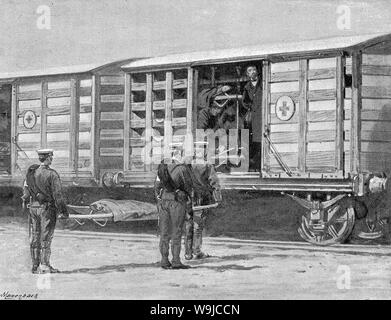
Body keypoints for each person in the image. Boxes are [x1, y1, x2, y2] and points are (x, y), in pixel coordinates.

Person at [21, 149, 69, 274]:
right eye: (50, 157)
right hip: (46, 209)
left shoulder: (31, 172)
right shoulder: (52, 174)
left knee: (35, 236)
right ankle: (44, 266)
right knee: (46, 237)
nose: (52, 159)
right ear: (47, 158)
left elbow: (26, 190)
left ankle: (35, 265)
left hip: (33, 208)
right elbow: (58, 195)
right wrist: (63, 211)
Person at [154, 144, 195, 269]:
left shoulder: (162, 167)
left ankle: (164, 260)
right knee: (176, 231)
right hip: (177, 203)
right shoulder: (182, 169)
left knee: (164, 233)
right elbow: (189, 186)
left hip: (164, 202)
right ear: (178, 154)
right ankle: (176, 261)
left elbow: (156, 186)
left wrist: (160, 200)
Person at [184, 159, 222, 260]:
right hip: (201, 198)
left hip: (187, 197)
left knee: (188, 224)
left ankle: (188, 253)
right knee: (198, 226)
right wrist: (218, 198)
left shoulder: (185, 164)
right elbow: (214, 182)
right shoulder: (207, 165)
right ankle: (196, 251)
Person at [242, 65, 263, 170]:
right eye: (250, 70)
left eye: (254, 69)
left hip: (262, 116)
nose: (252, 72)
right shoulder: (247, 87)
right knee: (252, 141)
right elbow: (244, 101)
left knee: (261, 141)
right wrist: (250, 107)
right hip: (253, 117)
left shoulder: (263, 84)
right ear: (247, 74)